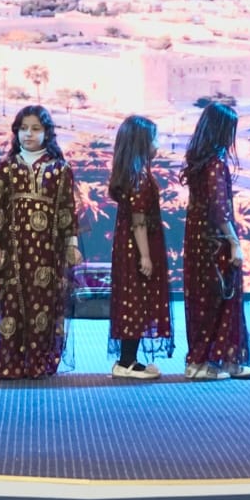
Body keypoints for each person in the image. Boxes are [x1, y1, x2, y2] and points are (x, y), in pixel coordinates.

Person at [0, 105, 80, 380]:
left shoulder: (60, 169)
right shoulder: (6, 168)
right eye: (23, 128)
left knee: (43, 303)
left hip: (47, 251)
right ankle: (10, 362)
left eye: (36, 128)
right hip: (13, 250)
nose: (29, 134)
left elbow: (66, 210)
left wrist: (71, 245)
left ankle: (39, 361)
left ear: (47, 132)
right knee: (11, 302)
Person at [180, 102, 250, 381]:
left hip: (199, 239)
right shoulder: (214, 164)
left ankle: (225, 360)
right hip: (215, 241)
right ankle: (202, 362)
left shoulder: (199, 162)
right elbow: (219, 208)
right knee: (217, 298)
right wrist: (234, 242)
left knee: (209, 298)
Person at [106, 115, 173, 380]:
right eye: (155, 138)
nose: (158, 144)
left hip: (130, 247)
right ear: (142, 142)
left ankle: (130, 359)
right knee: (135, 300)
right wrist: (145, 255)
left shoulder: (134, 174)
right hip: (136, 248)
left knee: (135, 300)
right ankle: (126, 362)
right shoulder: (139, 177)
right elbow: (138, 221)